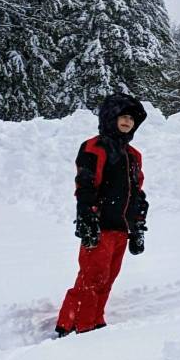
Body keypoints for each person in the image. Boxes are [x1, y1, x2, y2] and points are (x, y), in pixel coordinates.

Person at [55, 93, 149, 338]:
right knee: (92, 277)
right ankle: (76, 325)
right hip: (100, 225)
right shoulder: (94, 147)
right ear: (110, 117)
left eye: (132, 118)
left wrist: (138, 227)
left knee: (108, 279)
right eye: (123, 116)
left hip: (121, 228)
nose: (127, 122)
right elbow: (85, 184)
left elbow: (137, 192)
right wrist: (87, 217)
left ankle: (95, 320)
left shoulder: (133, 155)